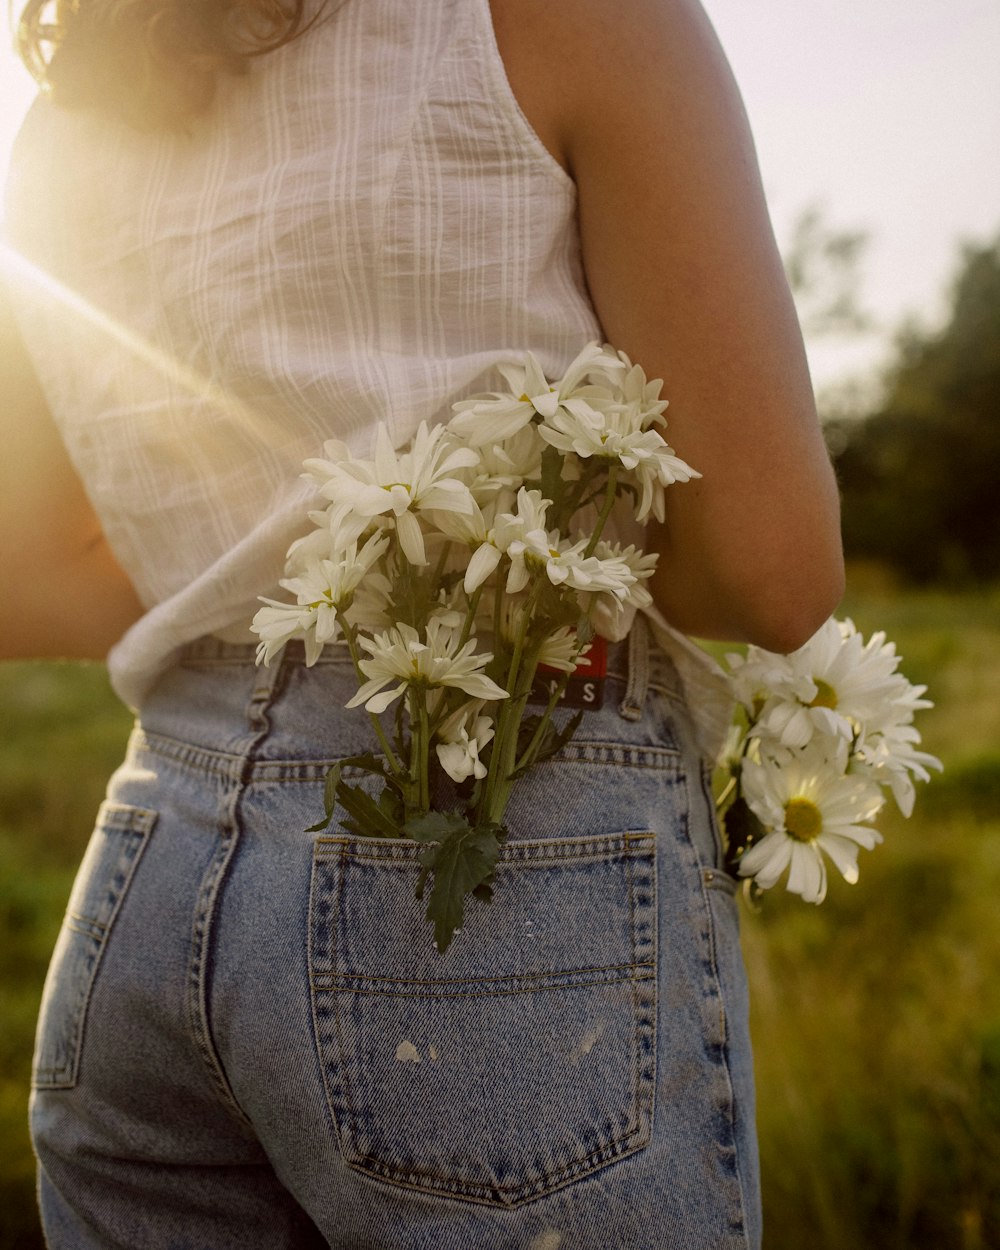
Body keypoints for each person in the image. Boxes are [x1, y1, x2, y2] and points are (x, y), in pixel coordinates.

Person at [2, 0, 844, 1245]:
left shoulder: (64, 124)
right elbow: (772, 572)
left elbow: (24, 573)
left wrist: (267, 581)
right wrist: (475, 569)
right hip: (496, 850)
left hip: (152, 870)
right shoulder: (563, 21)